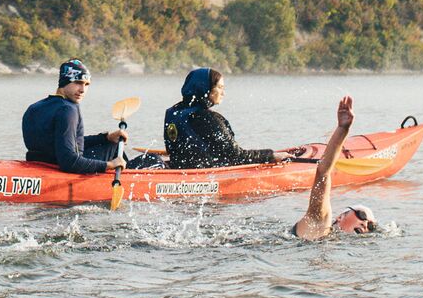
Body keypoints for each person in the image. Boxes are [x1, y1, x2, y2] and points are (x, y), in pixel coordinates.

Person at [162, 68, 299, 169]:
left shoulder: (175, 112)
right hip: (202, 176)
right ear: (205, 89)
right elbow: (236, 156)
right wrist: (271, 156)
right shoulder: (207, 118)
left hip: (179, 168)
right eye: (219, 87)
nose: (224, 93)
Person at [292, 96, 381, 240]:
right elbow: (323, 172)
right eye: (362, 215)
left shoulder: (337, 242)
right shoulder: (319, 224)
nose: (365, 224)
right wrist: (342, 129)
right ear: (340, 217)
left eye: (371, 226)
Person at [21, 60, 127, 174]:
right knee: (114, 146)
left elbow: (64, 143)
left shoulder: (34, 107)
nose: (82, 90)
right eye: (78, 82)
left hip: (41, 164)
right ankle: (134, 178)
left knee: (109, 142)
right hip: (63, 169)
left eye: (86, 84)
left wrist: (105, 138)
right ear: (64, 82)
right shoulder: (68, 109)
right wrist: (109, 165)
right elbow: (69, 162)